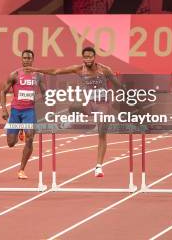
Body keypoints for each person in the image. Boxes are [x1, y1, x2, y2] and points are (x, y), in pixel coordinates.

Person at [27, 46, 122, 178]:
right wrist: (37, 69)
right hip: (88, 103)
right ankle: (70, 121)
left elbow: (118, 86)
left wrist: (116, 99)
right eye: (85, 57)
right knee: (73, 107)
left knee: (102, 133)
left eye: (90, 57)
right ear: (83, 58)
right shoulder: (78, 69)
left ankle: (99, 166)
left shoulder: (104, 70)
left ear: (94, 57)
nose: (88, 59)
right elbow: (56, 71)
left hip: (102, 104)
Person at [0, 49, 45, 180]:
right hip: (16, 111)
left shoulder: (38, 76)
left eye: (29, 58)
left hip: (30, 111)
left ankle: (21, 169)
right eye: (24, 58)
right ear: (21, 59)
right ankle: (20, 131)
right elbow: (3, 91)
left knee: (30, 138)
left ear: (33, 59)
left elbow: (44, 92)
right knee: (10, 143)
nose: (27, 60)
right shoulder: (14, 74)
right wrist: (4, 109)